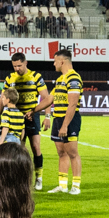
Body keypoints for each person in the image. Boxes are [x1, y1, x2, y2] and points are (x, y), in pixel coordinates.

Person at [0, 53, 50, 190]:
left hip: (32, 116)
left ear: (26, 63)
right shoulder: (10, 78)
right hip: (15, 117)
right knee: (19, 149)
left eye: (19, 65)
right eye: (14, 66)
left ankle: (39, 178)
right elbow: (3, 97)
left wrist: (48, 116)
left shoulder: (36, 77)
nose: (17, 69)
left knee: (35, 147)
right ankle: (22, 180)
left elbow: (46, 97)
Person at [37, 49, 83, 195]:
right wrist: (33, 110)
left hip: (68, 119)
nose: (53, 63)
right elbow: (50, 99)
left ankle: (75, 186)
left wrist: (65, 125)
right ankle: (62, 185)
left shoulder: (73, 78)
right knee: (61, 152)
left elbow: (73, 104)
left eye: (55, 60)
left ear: (62, 61)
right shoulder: (60, 79)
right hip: (58, 118)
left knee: (72, 152)